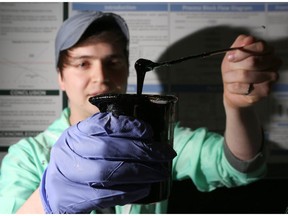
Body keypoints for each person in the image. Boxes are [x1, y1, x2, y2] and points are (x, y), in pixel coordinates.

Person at [0, 11, 282, 214]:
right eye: (83, 64)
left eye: (113, 62)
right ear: (60, 77)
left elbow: (238, 167)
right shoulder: (26, 158)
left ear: (126, 68)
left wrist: (236, 105)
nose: (101, 77)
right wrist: (48, 200)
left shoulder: (155, 135)